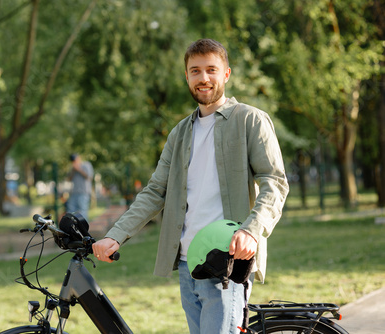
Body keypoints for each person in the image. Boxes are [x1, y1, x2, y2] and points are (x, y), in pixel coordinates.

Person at [92, 39, 289, 333]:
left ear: (226, 74)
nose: (204, 78)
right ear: (187, 77)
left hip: (227, 262)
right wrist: (116, 236)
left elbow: (274, 183)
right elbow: (155, 191)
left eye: (212, 69)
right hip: (188, 264)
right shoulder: (180, 133)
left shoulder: (249, 120)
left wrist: (251, 229)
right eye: (195, 71)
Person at [67, 153, 94, 220]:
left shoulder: (86, 165)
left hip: (84, 192)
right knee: (71, 211)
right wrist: (73, 170)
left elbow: (89, 177)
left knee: (83, 212)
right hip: (74, 192)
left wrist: (79, 169)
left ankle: (84, 229)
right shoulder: (72, 168)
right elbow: (69, 179)